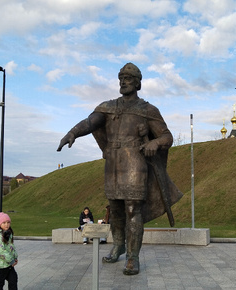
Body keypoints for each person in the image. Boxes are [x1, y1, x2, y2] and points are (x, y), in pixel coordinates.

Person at [57, 63, 183, 275]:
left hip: (135, 162)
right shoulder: (109, 107)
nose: (123, 82)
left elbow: (166, 136)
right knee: (114, 210)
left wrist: (154, 143)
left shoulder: (147, 110)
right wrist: (73, 132)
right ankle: (119, 246)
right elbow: (90, 122)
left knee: (133, 210)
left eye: (128, 78)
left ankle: (133, 258)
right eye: (121, 78)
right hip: (113, 163)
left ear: (137, 83)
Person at [0, 212, 18, 290]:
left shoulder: (8, 234)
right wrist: (11, 261)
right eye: (4, 222)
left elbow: (11, 247)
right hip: (0, 266)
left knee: (13, 280)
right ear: (0, 224)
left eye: (8, 222)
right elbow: (2, 251)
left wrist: (15, 257)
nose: (6, 224)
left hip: (9, 265)